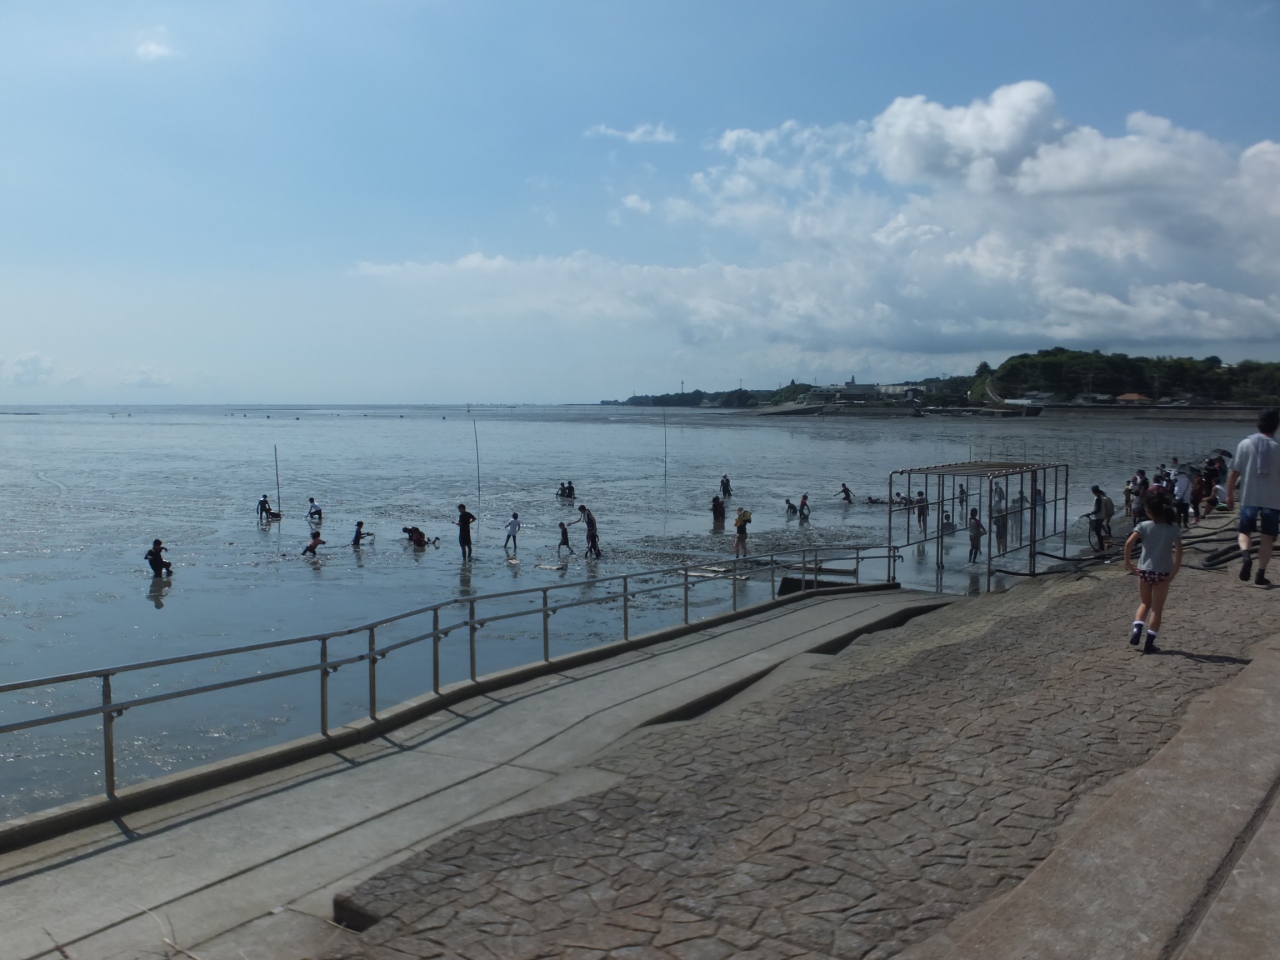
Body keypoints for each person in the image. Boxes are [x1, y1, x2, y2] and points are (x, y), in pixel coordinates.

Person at [1124, 489, 1183, 653]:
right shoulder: (1173, 528)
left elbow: (1129, 544)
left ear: (1149, 511)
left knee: (1144, 603)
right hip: (1163, 573)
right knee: (1157, 609)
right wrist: (1175, 570)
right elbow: (1179, 550)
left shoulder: (1143, 526)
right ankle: (1149, 644)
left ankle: (1136, 631)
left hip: (1144, 570)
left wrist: (1128, 562)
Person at [1228, 408, 1280, 587]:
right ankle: (1261, 574)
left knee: (1244, 531)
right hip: (1273, 499)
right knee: (1267, 537)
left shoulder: (1244, 444)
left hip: (1249, 496)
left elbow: (1234, 473)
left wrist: (1228, 495)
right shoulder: (1278, 446)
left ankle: (1246, 555)